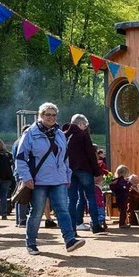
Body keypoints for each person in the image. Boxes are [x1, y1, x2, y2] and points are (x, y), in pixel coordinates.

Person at [15, 102, 85, 255]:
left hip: (58, 179)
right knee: (37, 212)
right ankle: (31, 243)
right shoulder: (30, 134)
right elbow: (20, 158)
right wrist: (26, 177)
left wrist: (67, 175)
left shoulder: (60, 134)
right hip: (38, 180)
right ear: (41, 116)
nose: (51, 118)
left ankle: (69, 240)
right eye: (48, 114)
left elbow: (65, 157)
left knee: (62, 210)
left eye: (54, 115)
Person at [63, 114, 104, 235]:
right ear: (80, 124)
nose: (86, 127)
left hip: (69, 171)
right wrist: (97, 172)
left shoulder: (64, 135)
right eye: (85, 125)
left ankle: (73, 229)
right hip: (84, 170)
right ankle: (96, 225)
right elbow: (91, 154)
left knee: (72, 199)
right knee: (91, 197)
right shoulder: (83, 135)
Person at [109, 164, 132, 229]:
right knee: (123, 211)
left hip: (118, 197)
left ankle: (122, 222)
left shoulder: (115, 181)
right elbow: (124, 188)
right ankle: (122, 223)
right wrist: (130, 183)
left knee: (121, 210)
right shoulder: (121, 181)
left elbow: (112, 187)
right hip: (122, 198)